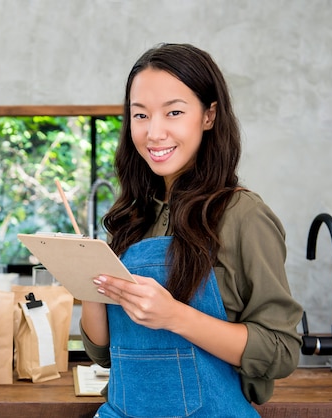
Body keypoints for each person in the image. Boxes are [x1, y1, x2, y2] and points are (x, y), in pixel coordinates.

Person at [80, 43, 303, 417]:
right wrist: (87, 282)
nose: (154, 132)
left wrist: (175, 316)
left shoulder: (243, 215)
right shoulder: (131, 218)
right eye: (140, 115)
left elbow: (280, 350)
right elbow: (104, 353)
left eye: (174, 112)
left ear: (209, 115)